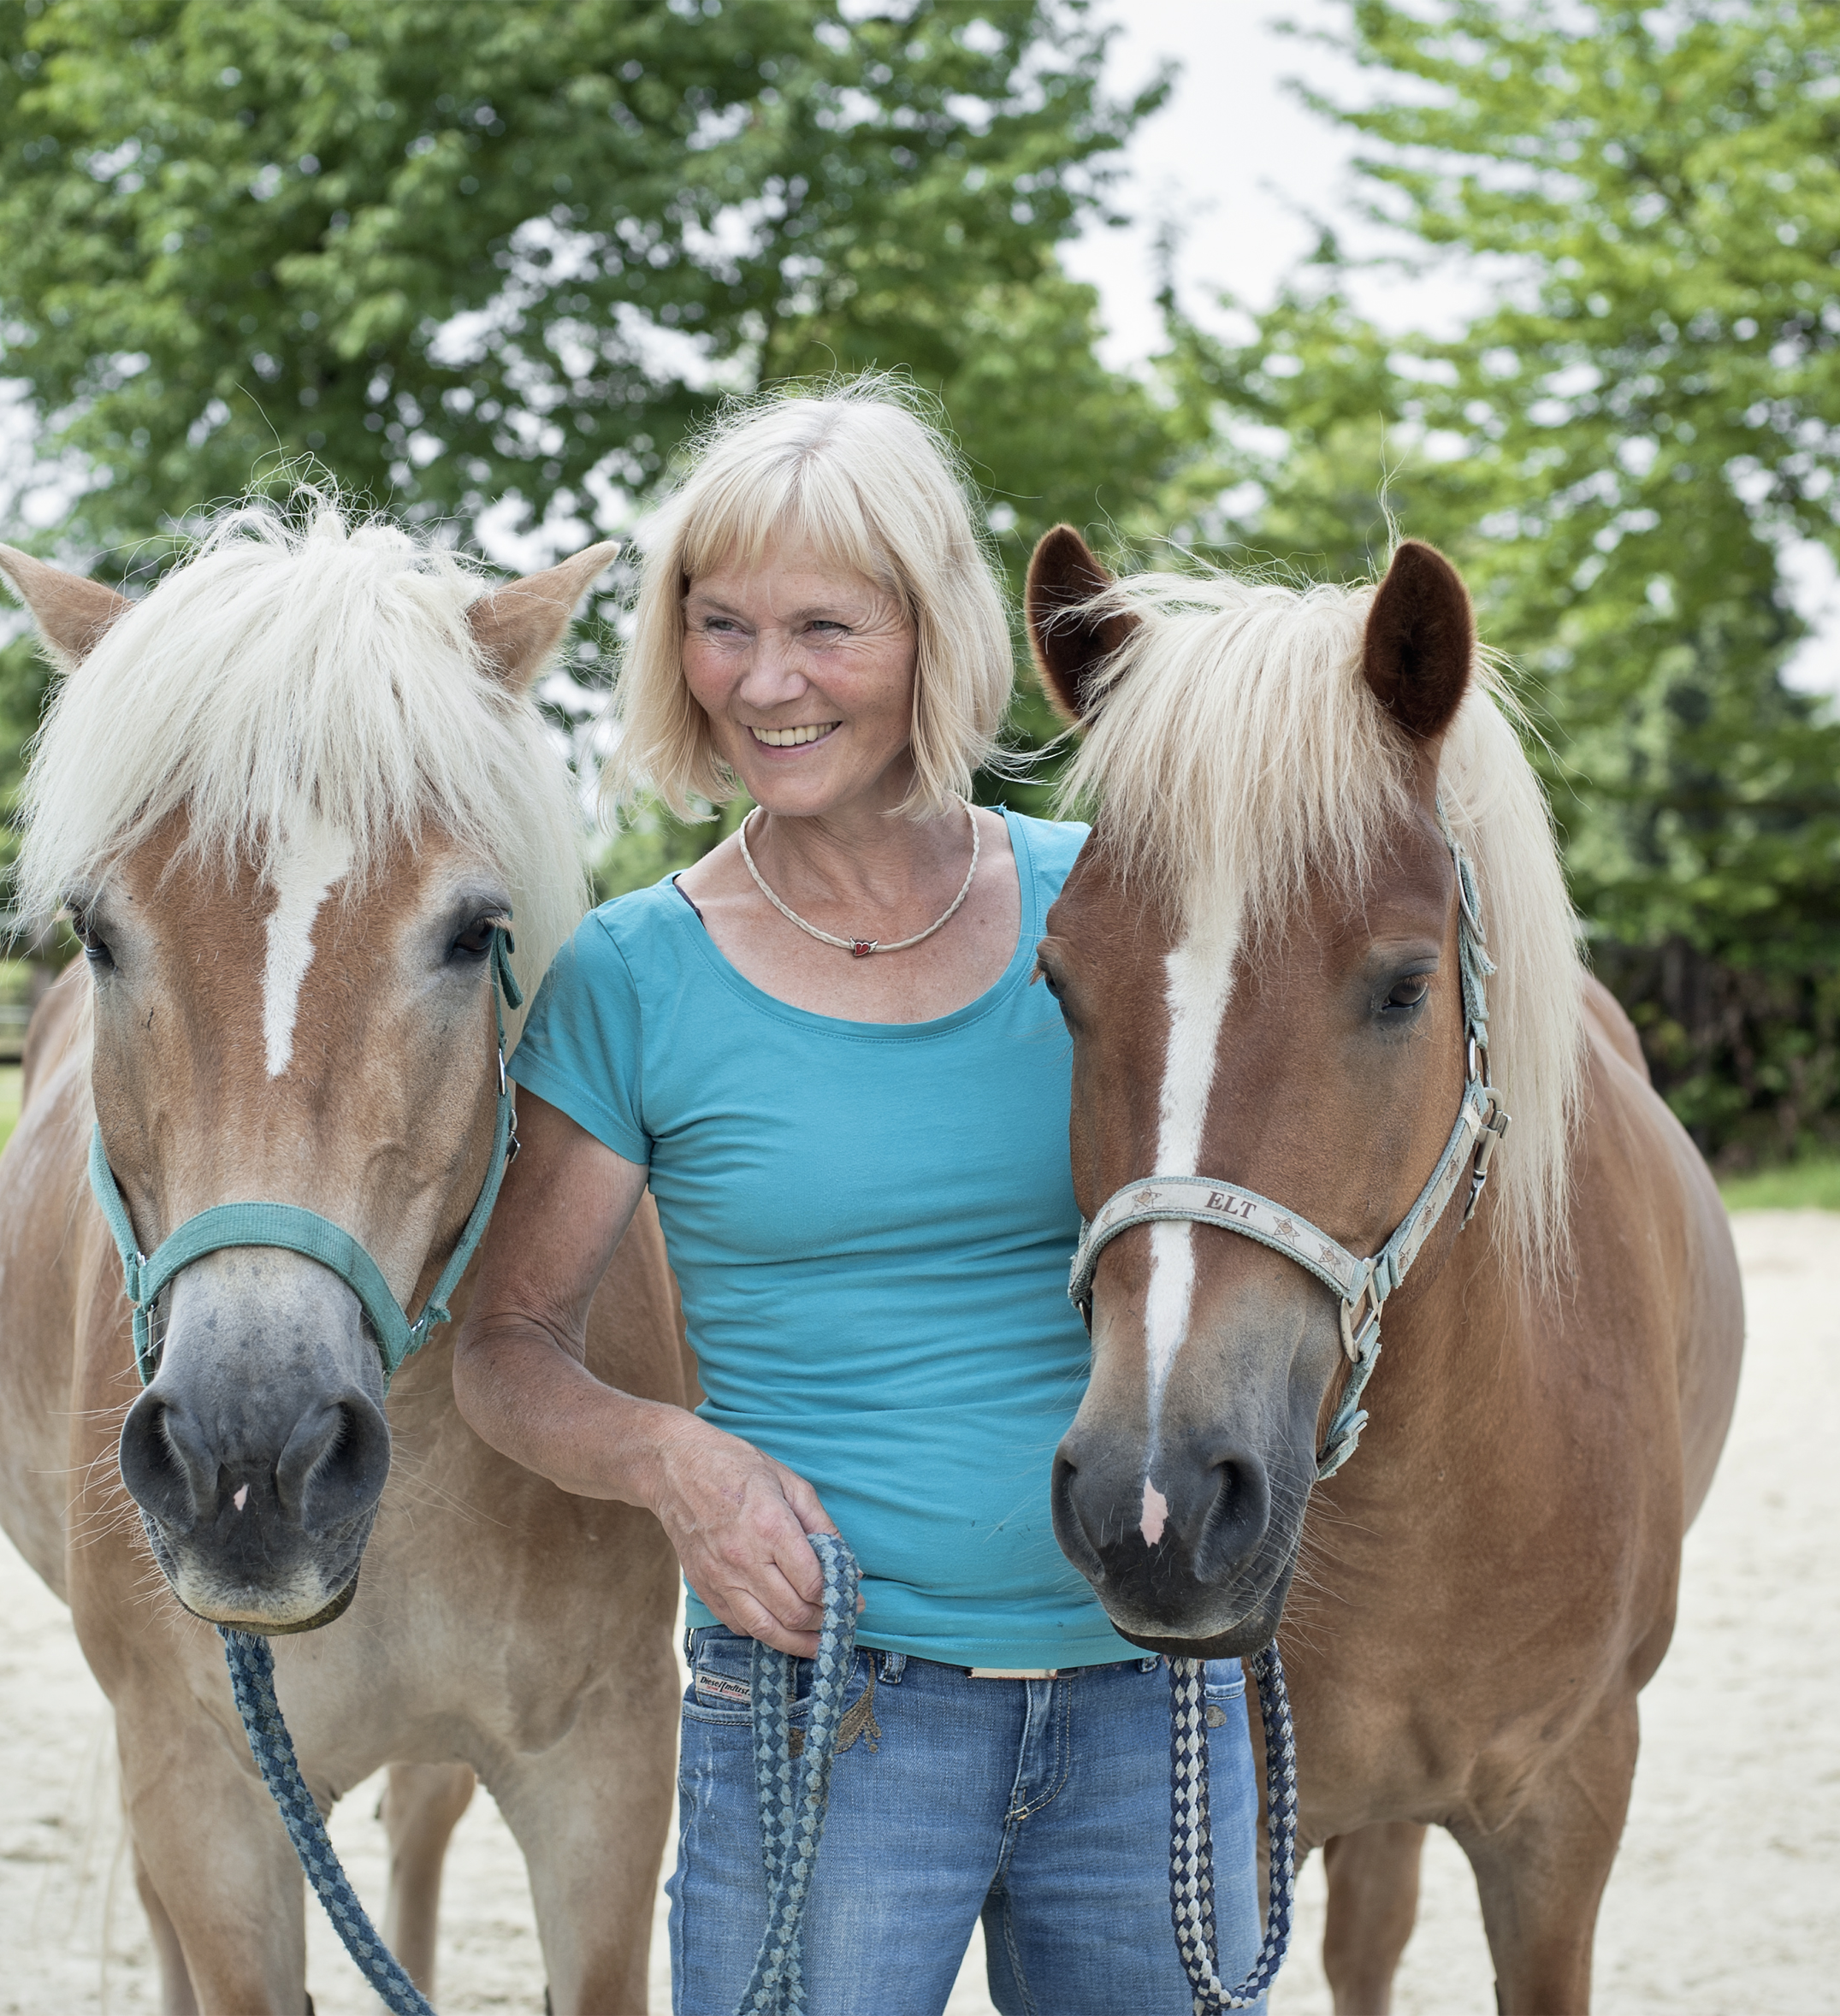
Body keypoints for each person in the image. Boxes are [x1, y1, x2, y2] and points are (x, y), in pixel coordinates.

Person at [453, 381, 1265, 2014]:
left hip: (1155, 1696)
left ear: (934, 634)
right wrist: (673, 1460)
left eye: (828, 625)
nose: (768, 680)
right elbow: (507, 1347)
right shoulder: (633, 975)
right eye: (722, 624)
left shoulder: (1108, 909)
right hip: (829, 1709)